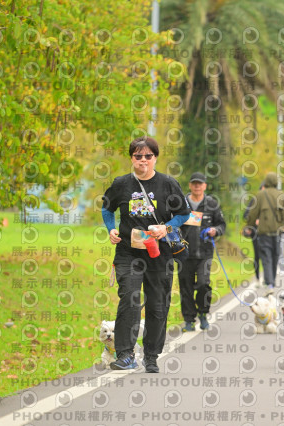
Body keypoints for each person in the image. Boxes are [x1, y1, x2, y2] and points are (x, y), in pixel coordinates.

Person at [101, 137, 190, 373]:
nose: (143, 160)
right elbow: (107, 209)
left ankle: (151, 355)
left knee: (157, 305)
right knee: (129, 298)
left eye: (148, 156)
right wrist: (110, 229)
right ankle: (125, 354)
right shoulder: (121, 184)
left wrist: (166, 228)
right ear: (131, 158)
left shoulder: (168, 184)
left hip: (159, 254)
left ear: (155, 158)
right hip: (128, 252)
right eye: (138, 156)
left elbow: (184, 214)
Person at [178, 172, 226, 332]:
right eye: (194, 183)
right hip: (183, 253)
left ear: (205, 186)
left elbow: (222, 224)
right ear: (190, 185)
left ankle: (203, 314)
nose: (197, 186)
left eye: (200, 183)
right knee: (185, 287)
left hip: (205, 253)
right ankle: (189, 320)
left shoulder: (212, 204)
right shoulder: (182, 203)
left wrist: (215, 230)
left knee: (203, 284)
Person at [246, 172, 284, 294]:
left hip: (264, 232)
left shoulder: (260, 195)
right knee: (275, 256)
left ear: (266, 181)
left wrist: (249, 225)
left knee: (266, 257)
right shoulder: (281, 195)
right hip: (277, 233)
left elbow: (252, 213)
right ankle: (272, 281)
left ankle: (270, 283)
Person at [243, 182, 264, 283]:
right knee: (257, 255)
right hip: (256, 232)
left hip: (268, 233)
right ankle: (257, 278)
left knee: (267, 255)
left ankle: (268, 278)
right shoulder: (254, 200)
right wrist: (254, 220)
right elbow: (245, 215)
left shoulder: (272, 202)